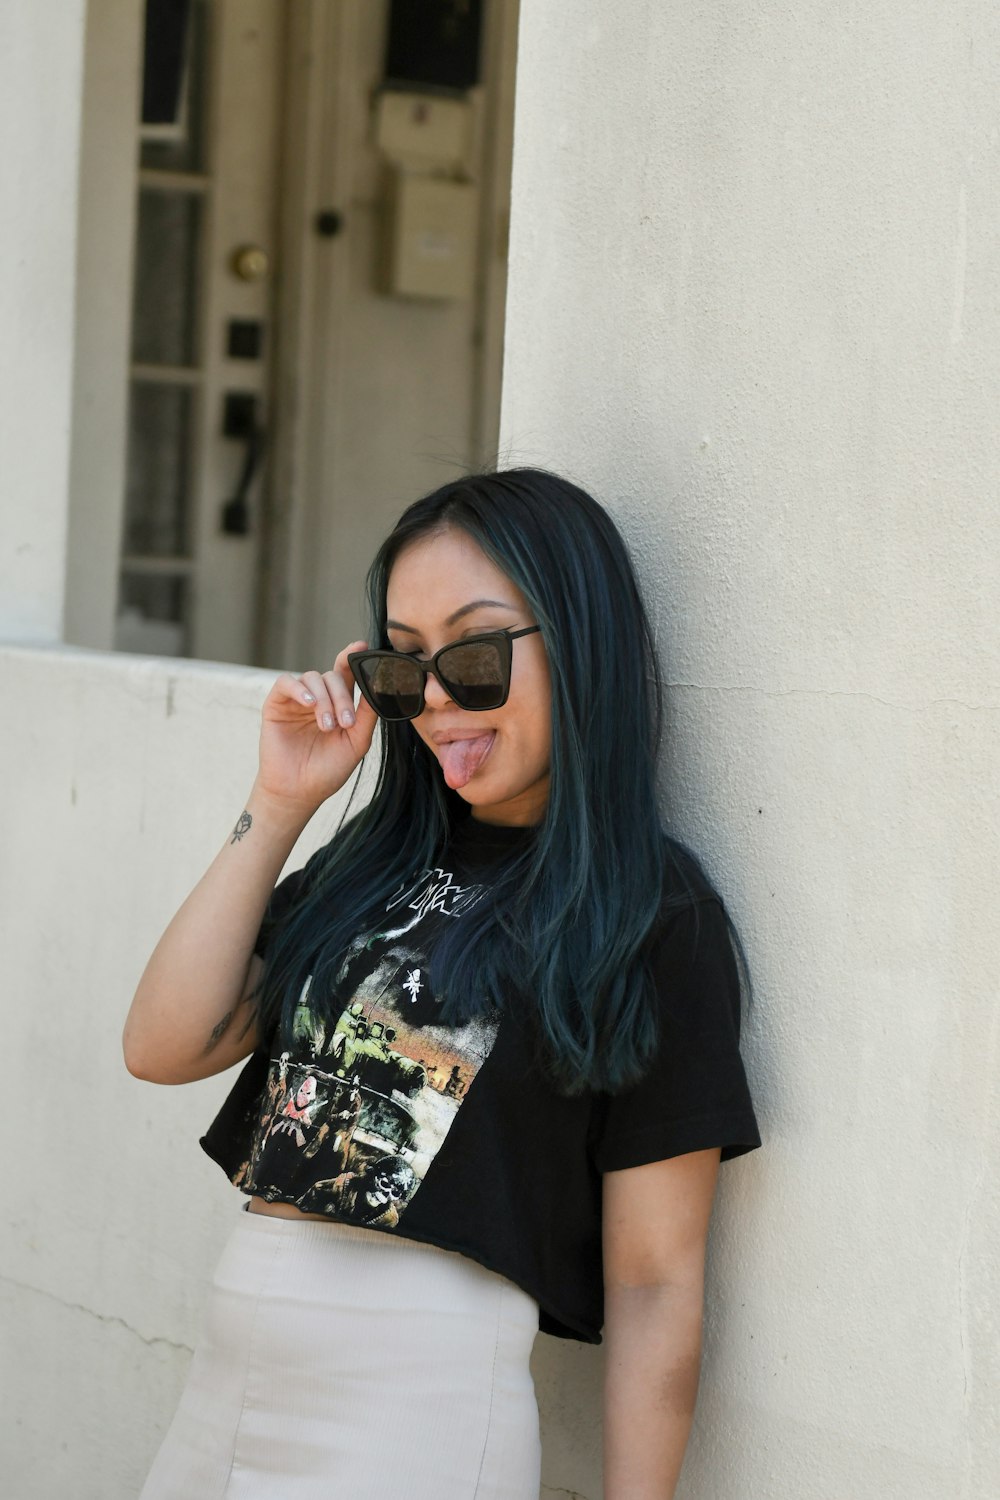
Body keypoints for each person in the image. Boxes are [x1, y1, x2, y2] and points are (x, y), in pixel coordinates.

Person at [123, 467, 761, 1500]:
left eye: (472, 654)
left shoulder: (648, 915)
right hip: (228, 1387)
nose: (434, 701)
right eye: (404, 665)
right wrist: (280, 801)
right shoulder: (377, 863)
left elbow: (654, 1281)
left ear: (578, 638)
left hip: (412, 1416)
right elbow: (163, 1045)